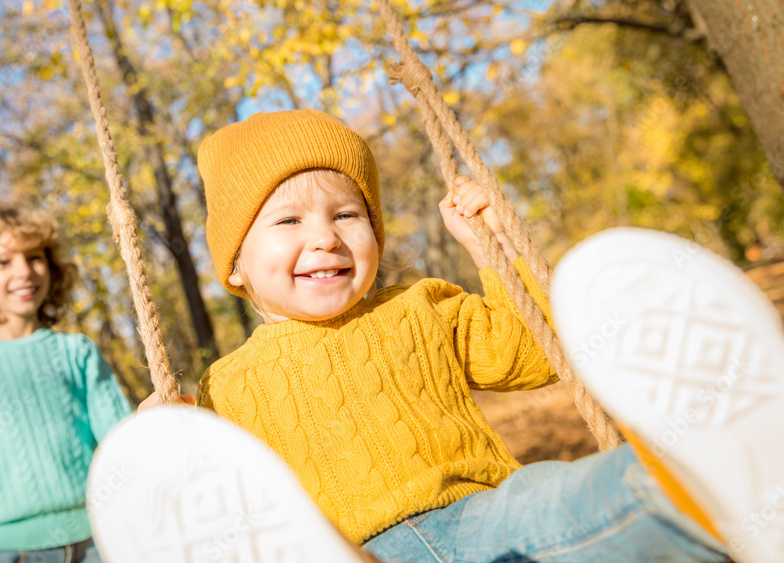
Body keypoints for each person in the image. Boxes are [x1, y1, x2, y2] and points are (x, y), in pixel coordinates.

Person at [90, 109, 781, 562]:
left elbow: (536, 351)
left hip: (487, 518)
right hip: (354, 549)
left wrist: (495, 250)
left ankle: (709, 479)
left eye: (347, 214)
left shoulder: (423, 306)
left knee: (567, 505)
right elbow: (210, 491)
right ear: (236, 264)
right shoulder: (223, 386)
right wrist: (163, 441)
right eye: (289, 222)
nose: (325, 237)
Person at [0, 204, 132, 563]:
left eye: (34, 257)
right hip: (16, 553)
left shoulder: (77, 352)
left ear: (51, 266)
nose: (23, 271)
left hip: (97, 541)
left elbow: (124, 444)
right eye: (4, 262)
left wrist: (154, 419)